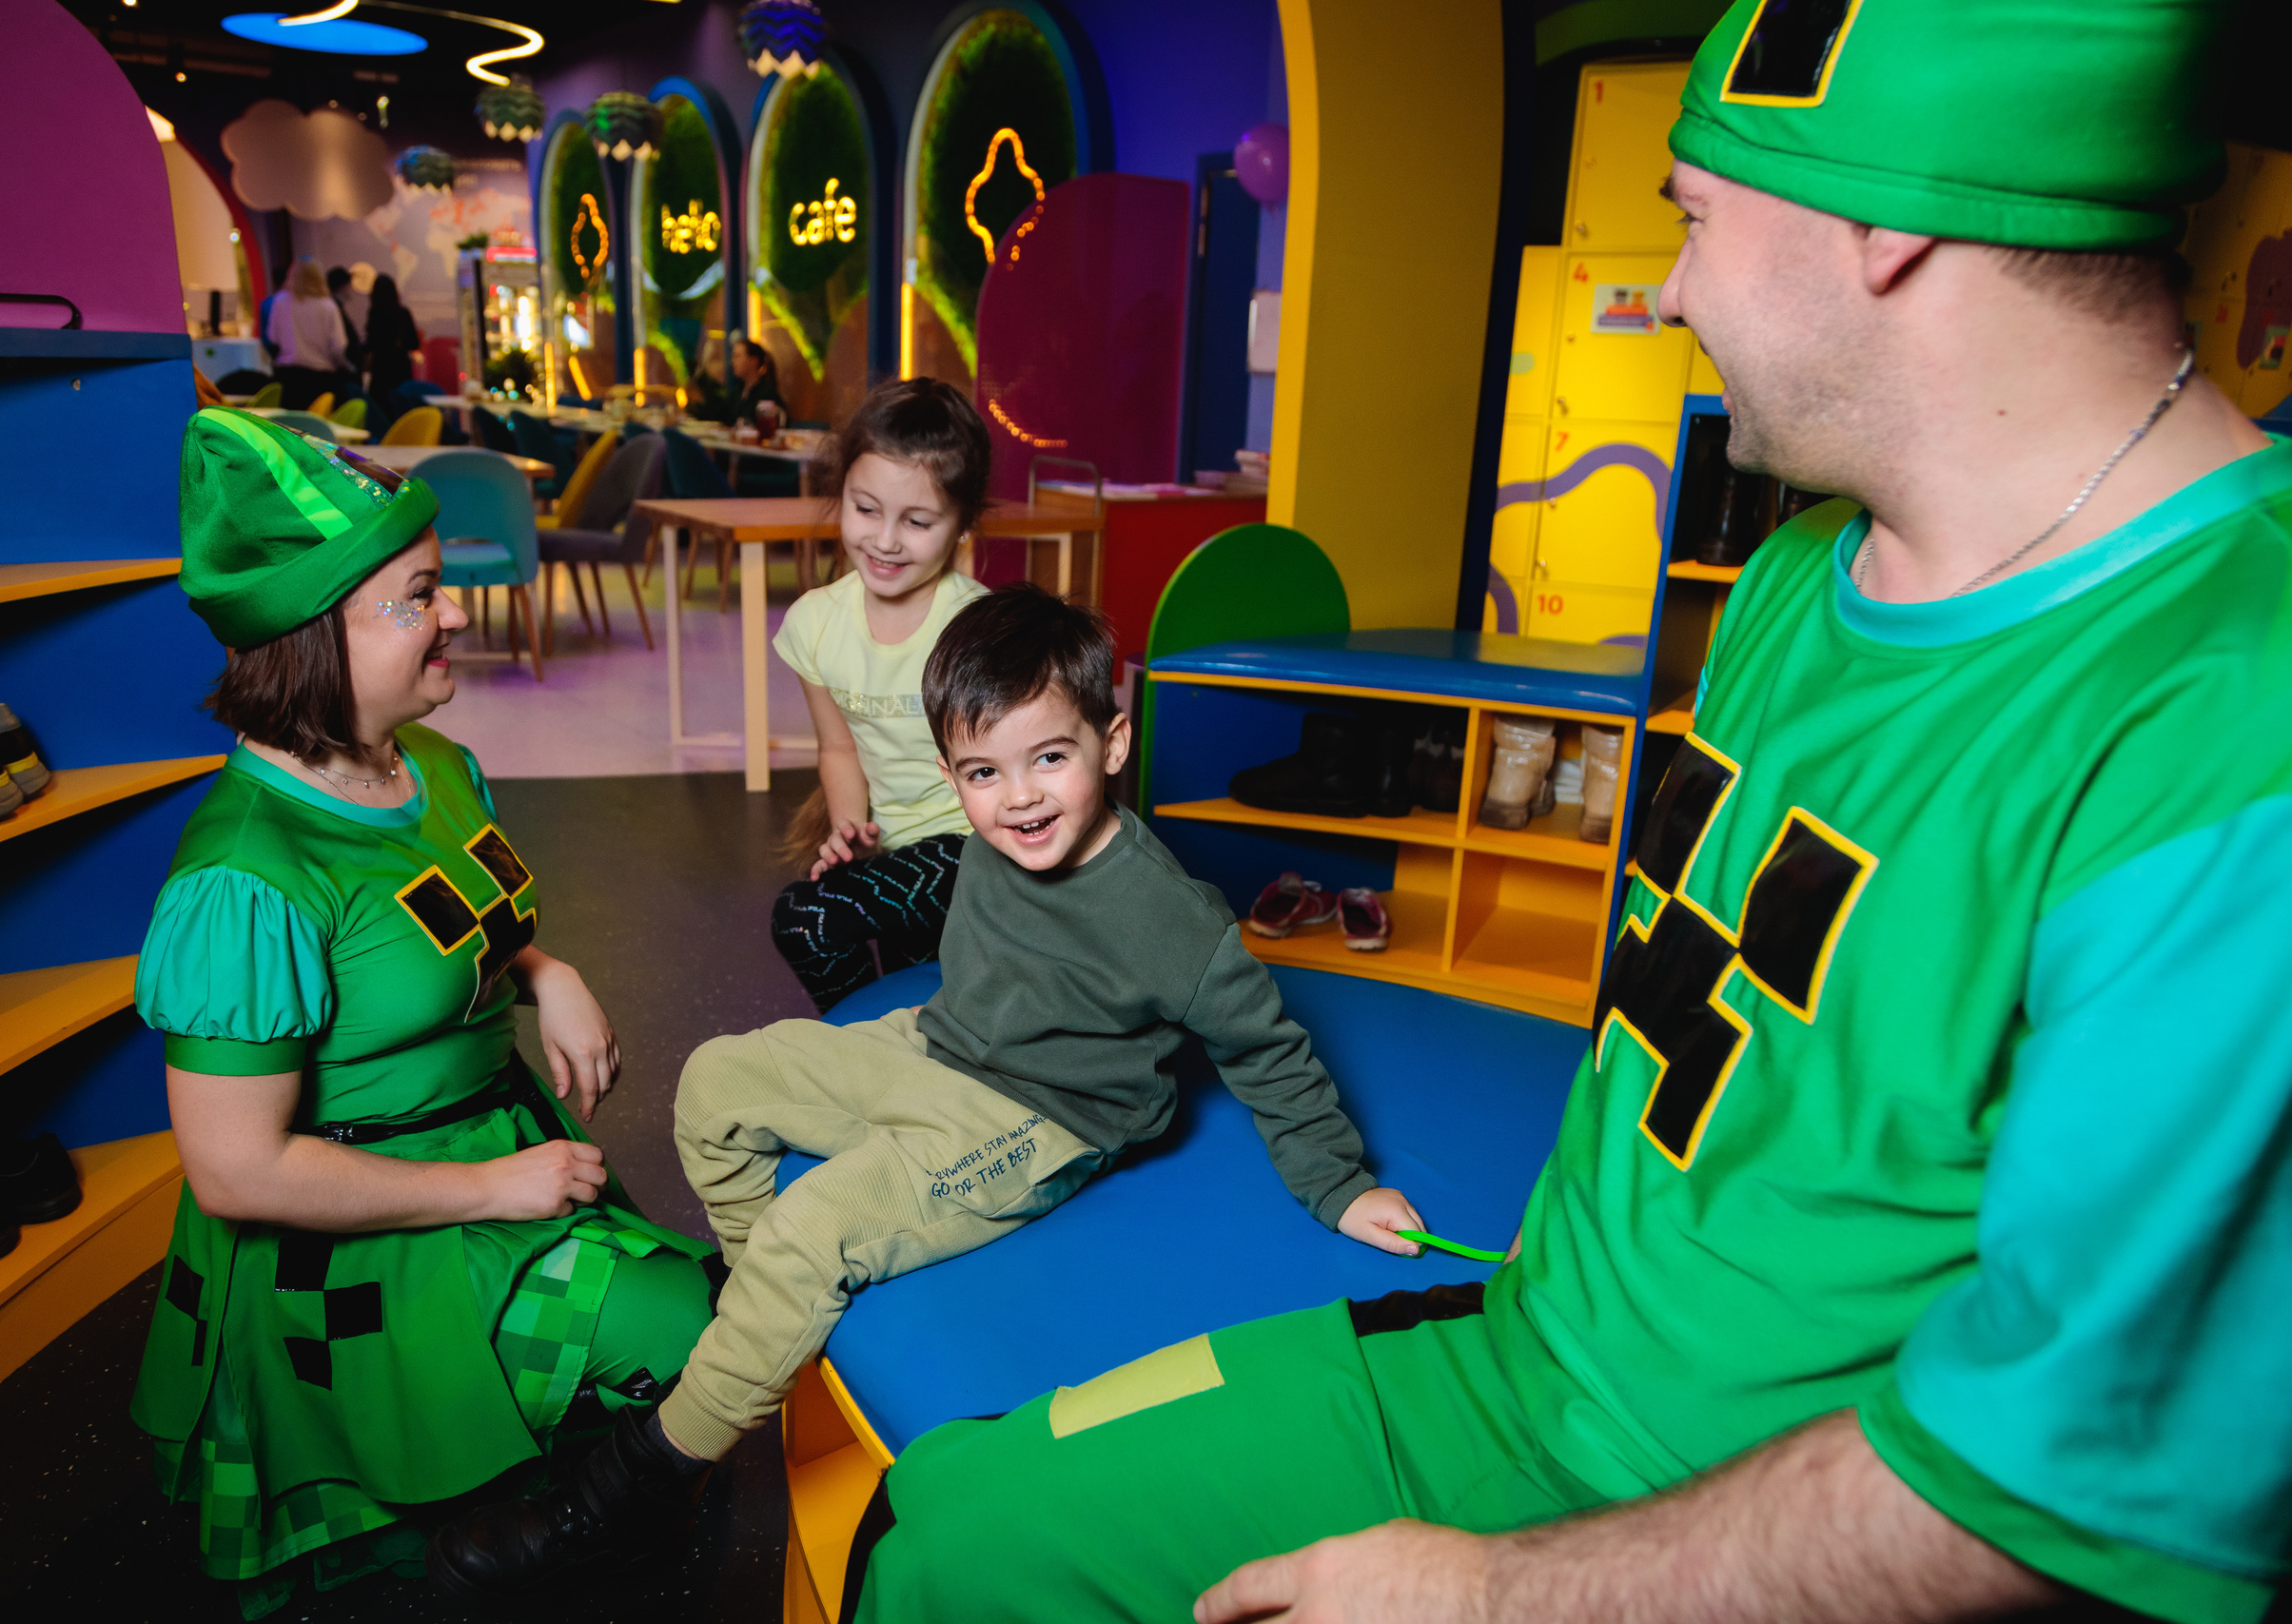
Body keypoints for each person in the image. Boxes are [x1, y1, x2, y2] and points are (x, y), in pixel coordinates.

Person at [839, 4, 2292, 1622]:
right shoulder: (1802, 573)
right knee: (942, 1527)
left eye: (1691, 217)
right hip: (1525, 1343)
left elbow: (2049, 1486)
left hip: (1726, 1528)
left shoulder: (2240, 721)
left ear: (1882, 222)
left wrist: (1505, 1591)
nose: (1665, 287)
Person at [427, 583, 1428, 1600]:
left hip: (1039, 1120)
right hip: (938, 1042)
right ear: (951, 775)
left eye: (1051, 758)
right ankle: (752, 1318)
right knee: (716, 1081)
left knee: (817, 1223)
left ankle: (642, 1489)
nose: (1021, 798)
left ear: (1114, 742)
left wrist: (1339, 1185)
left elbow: (1269, 1050)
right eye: (984, 773)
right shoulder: (992, 835)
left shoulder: (1168, 917)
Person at [132, 408, 717, 1615]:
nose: (455, 613)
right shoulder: (243, 880)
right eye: (416, 597)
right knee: (690, 1341)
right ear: (310, 637)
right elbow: (236, 1173)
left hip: (492, 1140)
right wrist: (491, 1192)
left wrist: (543, 971)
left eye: (440, 586)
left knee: (694, 1340)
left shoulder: (428, 762)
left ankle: (541, 1518)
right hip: (366, 1232)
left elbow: (443, 925)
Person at [766, 377, 989, 1010]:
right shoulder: (815, 624)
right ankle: (881, 1045)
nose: (886, 540)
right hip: (897, 854)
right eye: (866, 509)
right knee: (909, 990)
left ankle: (869, 1048)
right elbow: (838, 748)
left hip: (982, 852)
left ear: (962, 524)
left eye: (917, 521)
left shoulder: (978, 627)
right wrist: (849, 831)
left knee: (803, 917)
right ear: (840, 496)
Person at [267, 258, 353, 411]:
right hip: (321, 381)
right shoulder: (328, 306)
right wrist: (347, 367)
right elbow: (338, 347)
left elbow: (273, 338)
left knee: (290, 430)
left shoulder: (280, 301)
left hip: (288, 379)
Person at [362, 272, 422, 421]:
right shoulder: (403, 313)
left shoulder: (375, 313)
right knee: (401, 412)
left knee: (381, 416)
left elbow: (370, 344)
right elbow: (414, 343)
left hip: (381, 369)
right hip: (401, 368)